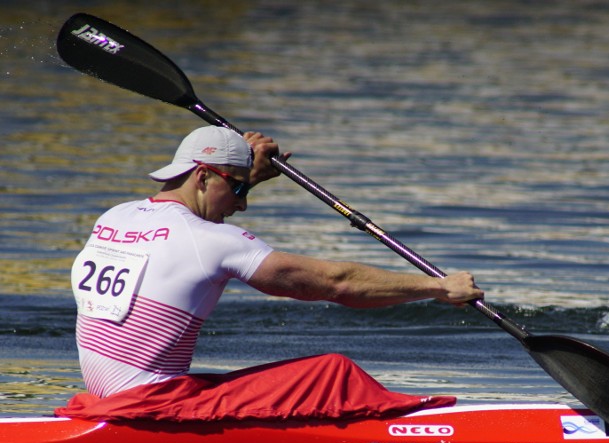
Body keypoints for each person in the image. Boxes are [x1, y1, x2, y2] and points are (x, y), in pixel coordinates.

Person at [57, 126, 483, 422]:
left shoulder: (117, 215)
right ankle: (416, 422)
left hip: (110, 396)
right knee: (331, 372)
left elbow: (191, 234)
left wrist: (241, 170)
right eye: (238, 189)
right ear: (204, 176)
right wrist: (436, 286)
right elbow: (338, 284)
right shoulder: (211, 240)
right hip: (153, 404)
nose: (242, 204)